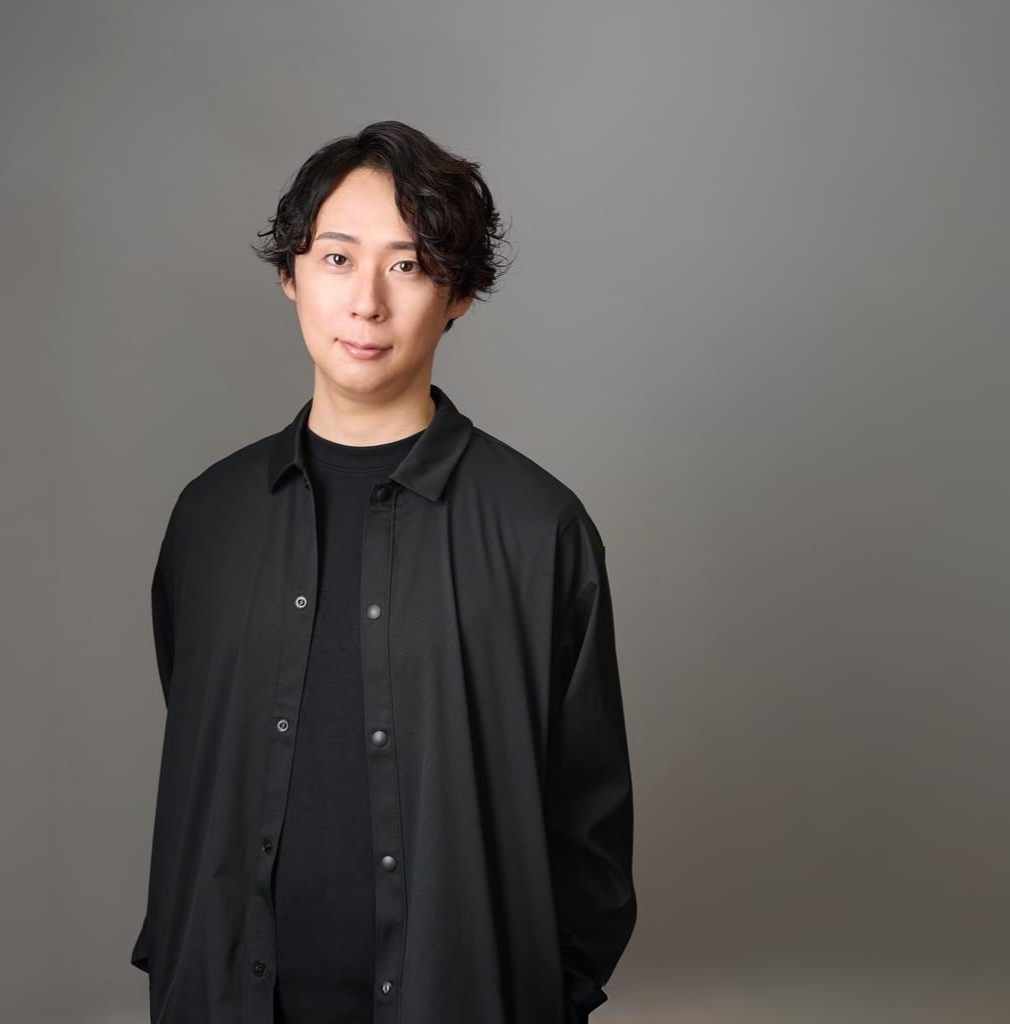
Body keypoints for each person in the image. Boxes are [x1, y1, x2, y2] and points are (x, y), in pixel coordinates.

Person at [130, 120, 636, 1024]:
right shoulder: (210, 520)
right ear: (291, 275)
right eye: (336, 258)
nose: (365, 302)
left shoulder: (539, 531)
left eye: (408, 265)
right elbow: (197, 775)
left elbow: (589, 830)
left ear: (459, 294)